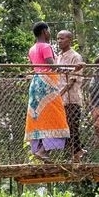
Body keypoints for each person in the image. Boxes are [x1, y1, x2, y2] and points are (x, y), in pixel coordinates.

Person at [23, 22, 70, 162]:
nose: (50, 34)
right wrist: (67, 69)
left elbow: (35, 67)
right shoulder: (46, 46)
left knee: (40, 117)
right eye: (49, 31)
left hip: (36, 83)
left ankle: (41, 149)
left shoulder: (32, 49)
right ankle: (43, 150)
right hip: (48, 85)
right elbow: (51, 65)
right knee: (57, 117)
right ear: (44, 32)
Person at [51, 29, 87, 149]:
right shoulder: (58, 58)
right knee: (62, 128)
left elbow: (73, 80)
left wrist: (59, 94)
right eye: (58, 38)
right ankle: (75, 153)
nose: (59, 41)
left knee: (72, 127)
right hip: (60, 99)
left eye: (62, 38)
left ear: (69, 40)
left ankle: (77, 154)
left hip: (71, 98)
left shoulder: (75, 57)